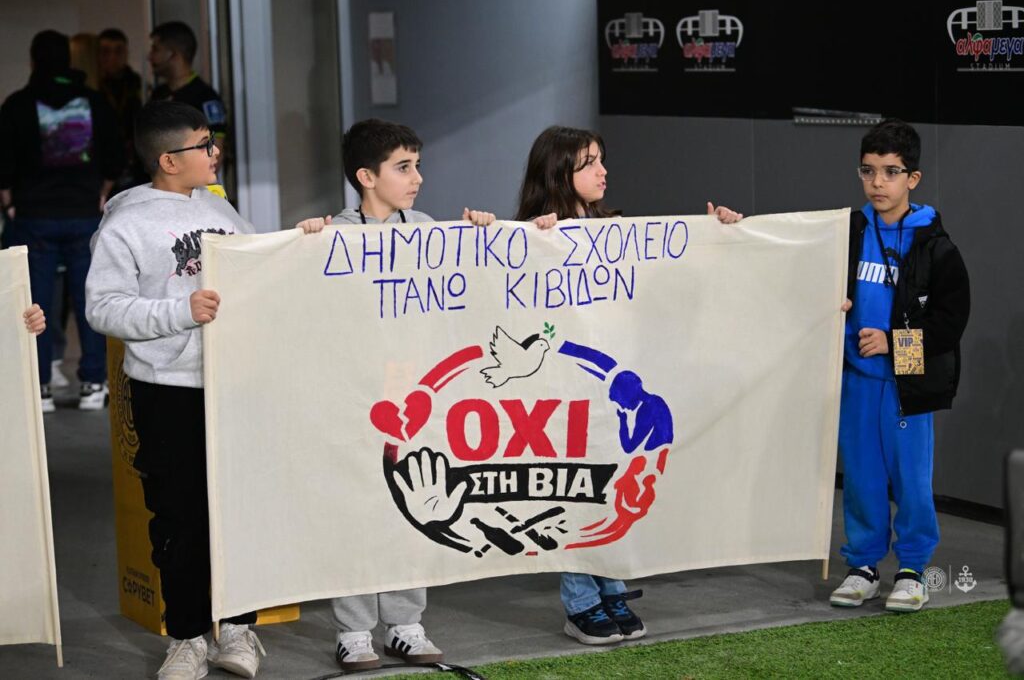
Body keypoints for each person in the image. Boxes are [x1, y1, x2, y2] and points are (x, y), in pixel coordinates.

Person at [85, 100, 324, 680]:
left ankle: (237, 629)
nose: (216, 152)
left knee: (239, 510)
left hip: (236, 382)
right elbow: (103, 308)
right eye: (204, 144)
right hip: (168, 390)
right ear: (169, 159)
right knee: (179, 517)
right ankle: (187, 637)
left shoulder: (221, 209)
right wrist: (180, 311)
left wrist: (299, 243)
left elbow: (257, 271)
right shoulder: (126, 223)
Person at [514, 125, 742, 645]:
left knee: (610, 484)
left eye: (601, 160)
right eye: (589, 163)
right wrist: (531, 238)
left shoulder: (613, 229)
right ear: (559, 172)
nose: (603, 171)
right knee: (576, 491)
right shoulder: (531, 234)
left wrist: (715, 233)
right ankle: (580, 601)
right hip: (563, 390)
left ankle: (611, 585)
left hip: (610, 386)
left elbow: (665, 278)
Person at [318, 118, 495, 672]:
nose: (418, 177)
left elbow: (473, 280)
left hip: (412, 389)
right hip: (351, 389)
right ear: (366, 176)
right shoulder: (333, 236)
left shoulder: (428, 229)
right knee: (356, 504)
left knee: (413, 498)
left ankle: (405, 623)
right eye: (403, 167)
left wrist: (483, 235)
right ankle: (353, 631)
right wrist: (301, 246)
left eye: (417, 165)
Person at [828, 119, 970, 613]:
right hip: (856, 379)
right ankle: (863, 565)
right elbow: (792, 257)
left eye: (891, 172)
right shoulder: (848, 231)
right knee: (861, 477)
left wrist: (891, 343)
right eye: (868, 171)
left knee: (911, 478)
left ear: (913, 178)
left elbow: (950, 322)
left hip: (907, 380)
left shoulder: (935, 245)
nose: (878, 183)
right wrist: (732, 224)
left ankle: (912, 569)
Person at [0, 29, 122, 412]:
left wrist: (9, 202)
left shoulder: (17, 104)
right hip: (84, 212)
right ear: (68, 61)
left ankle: (40, 388)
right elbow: (115, 155)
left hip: (33, 215)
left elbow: (2, 161)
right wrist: (102, 192)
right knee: (91, 299)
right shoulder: (95, 101)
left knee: (34, 303)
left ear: (33, 60)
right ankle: (93, 384)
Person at [148, 21, 228, 170]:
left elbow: (215, 154)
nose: (150, 56)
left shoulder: (205, 98)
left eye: (155, 49)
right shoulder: (158, 95)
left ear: (173, 54)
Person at [98, 27, 144, 192]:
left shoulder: (139, 85)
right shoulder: (93, 87)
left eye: (118, 51)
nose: (112, 58)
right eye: (105, 52)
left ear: (126, 54)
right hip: (103, 163)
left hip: (135, 164)